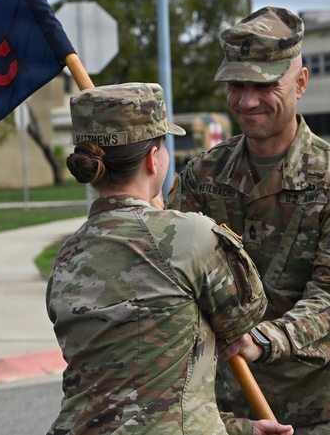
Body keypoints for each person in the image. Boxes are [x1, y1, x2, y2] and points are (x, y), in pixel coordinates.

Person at [167, 8, 330, 434]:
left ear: (301, 83)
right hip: (233, 394)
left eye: (265, 85)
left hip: (324, 393)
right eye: (237, 85)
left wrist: (265, 340)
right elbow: (171, 274)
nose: (247, 101)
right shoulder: (202, 177)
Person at [46, 82, 294, 435]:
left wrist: (239, 430)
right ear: (153, 158)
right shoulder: (190, 236)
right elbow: (246, 313)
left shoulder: (67, 256)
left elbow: (116, 395)